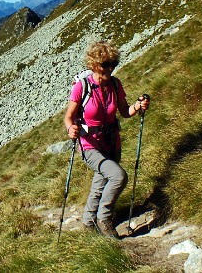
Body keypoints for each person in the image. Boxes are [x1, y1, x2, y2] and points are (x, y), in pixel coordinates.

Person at [63, 40, 150, 239]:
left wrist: (138, 106)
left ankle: (88, 222)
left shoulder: (115, 84)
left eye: (113, 64)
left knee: (101, 181)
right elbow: (69, 116)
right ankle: (105, 218)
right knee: (118, 176)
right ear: (94, 64)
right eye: (105, 65)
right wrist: (71, 129)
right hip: (89, 145)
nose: (110, 68)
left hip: (111, 142)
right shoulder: (82, 86)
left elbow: (125, 112)